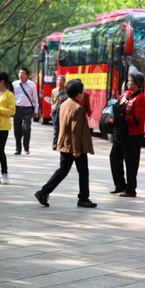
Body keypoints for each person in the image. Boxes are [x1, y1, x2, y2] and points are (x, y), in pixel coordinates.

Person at [34, 79, 97, 208]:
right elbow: (76, 131)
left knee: (63, 170)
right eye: (82, 91)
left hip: (64, 143)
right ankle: (83, 198)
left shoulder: (63, 104)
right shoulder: (78, 108)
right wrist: (76, 149)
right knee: (83, 171)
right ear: (78, 94)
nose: (83, 93)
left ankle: (43, 192)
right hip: (76, 146)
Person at [109, 72, 145, 197]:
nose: (127, 83)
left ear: (137, 84)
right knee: (114, 157)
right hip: (121, 133)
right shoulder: (126, 94)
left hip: (133, 136)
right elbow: (120, 106)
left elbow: (138, 119)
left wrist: (123, 117)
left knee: (131, 163)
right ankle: (120, 185)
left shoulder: (141, 98)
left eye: (130, 81)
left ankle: (131, 189)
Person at [12, 67, 38, 155]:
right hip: (17, 109)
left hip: (28, 109)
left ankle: (26, 147)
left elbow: (35, 98)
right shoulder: (14, 84)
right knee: (17, 130)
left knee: (26, 129)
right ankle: (18, 149)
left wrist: (36, 110)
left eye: (22, 73)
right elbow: (11, 97)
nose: (20, 75)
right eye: (19, 73)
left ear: (27, 75)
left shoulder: (32, 85)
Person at [51, 75, 66, 150]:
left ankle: (61, 143)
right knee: (56, 128)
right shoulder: (54, 91)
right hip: (55, 111)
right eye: (58, 80)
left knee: (62, 128)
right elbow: (52, 101)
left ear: (64, 82)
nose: (59, 82)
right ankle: (54, 144)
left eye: (61, 80)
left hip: (63, 111)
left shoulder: (66, 91)